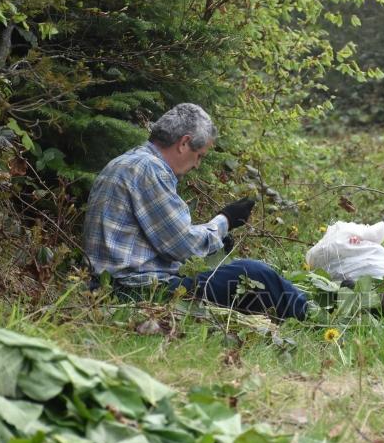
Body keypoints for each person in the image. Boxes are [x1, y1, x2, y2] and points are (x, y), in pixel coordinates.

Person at [83, 103, 308, 320]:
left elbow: (158, 241)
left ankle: (302, 306)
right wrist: (225, 221)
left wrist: (214, 243)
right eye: (199, 155)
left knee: (240, 278)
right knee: (252, 273)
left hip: (111, 287)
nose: (197, 164)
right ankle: (312, 313)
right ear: (184, 143)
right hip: (135, 291)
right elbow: (182, 246)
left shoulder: (126, 162)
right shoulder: (149, 169)